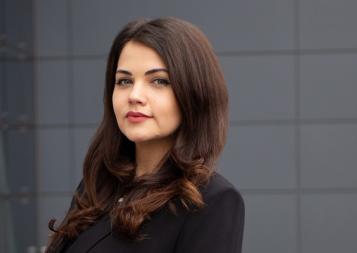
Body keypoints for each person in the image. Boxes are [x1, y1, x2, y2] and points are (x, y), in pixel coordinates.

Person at [45, 17, 245, 253]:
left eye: (159, 81)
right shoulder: (97, 187)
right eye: (124, 81)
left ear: (194, 93)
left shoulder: (212, 201)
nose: (135, 95)